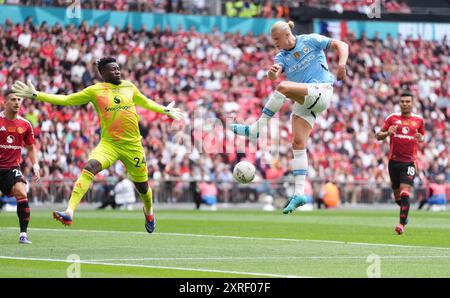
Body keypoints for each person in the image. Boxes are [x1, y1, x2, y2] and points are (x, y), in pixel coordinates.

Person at [12, 57, 183, 234]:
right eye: (112, 69)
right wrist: (36, 94)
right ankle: (69, 212)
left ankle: (149, 212)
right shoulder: (95, 90)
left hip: (133, 146)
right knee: (90, 167)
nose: (117, 71)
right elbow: (66, 99)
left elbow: (145, 102)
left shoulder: (129, 86)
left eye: (118, 68)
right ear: (102, 73)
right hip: (109, 144)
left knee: (143, 188)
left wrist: (164, 109)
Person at [231, 20, 348, 214]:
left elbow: (342, 45)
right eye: (273, 40)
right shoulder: (282, 56)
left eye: (277, 39)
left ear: (287, 34)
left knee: (284, 88)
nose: (275, 43)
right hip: (305, 100)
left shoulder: (310, 40)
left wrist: (342, 65)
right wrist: (272, 73)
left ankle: (255, 129)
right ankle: (299, 193)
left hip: (322, 91)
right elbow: (274, 75)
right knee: (298, 144)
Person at [376, 91, 425, 235]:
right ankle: (405, 212)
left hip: (409, 162)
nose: (405, 104)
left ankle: (401, 224)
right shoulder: (392, 118)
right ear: (399, 103)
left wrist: (420, 138)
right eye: (402, 101)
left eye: (407, 101)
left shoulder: (419, 120)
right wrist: (387, 133)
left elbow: (422, 136)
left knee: (405, 192)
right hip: (393, 162)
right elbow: (378, 136)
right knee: (398, 197)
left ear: (412, 103)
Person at [0, 89, 40, 244]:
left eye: (19, 100)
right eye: (13, 99)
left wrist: (35, 164)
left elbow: (31, 148)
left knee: (21, 192)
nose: (17, 102)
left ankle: (23, 234)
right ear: (5, 102)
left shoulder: (25, 124)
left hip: (12, 168)